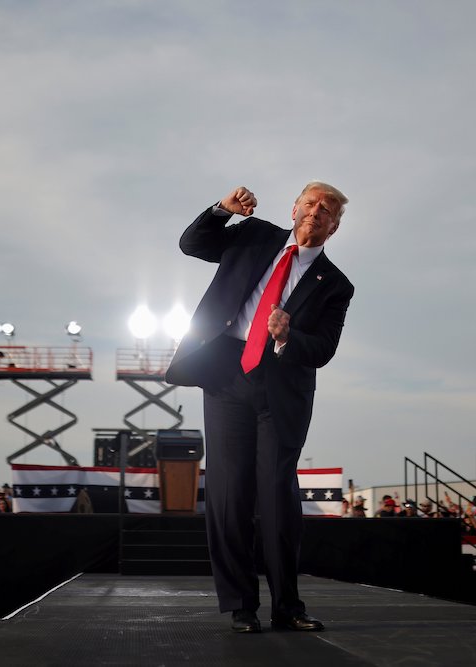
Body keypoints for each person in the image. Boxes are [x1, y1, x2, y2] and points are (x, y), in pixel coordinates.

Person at [166, 183, 354, 634]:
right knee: (229, 495)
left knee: (277, 494)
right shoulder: (253, 235)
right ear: (294, 210)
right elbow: (193, 245)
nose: (316, 213)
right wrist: (220, 210)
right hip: (226, 374)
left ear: (334, 226)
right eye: (310, 204)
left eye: (326, 210)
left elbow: (324, 349)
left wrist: (288, 336)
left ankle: (287, 605)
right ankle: (240, 606)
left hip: (281, 387)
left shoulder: (338, 285)